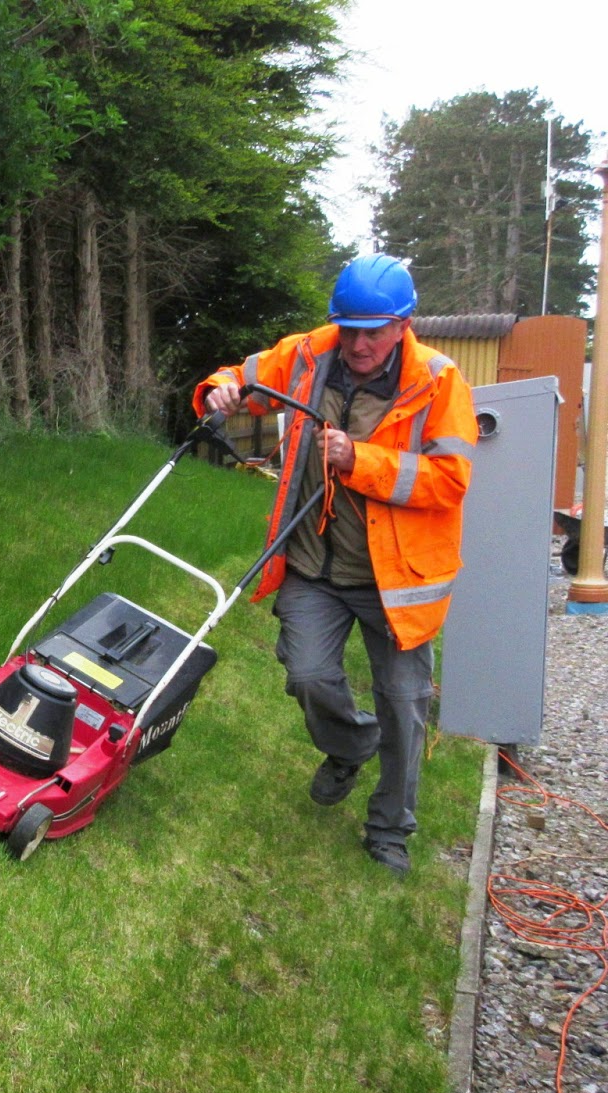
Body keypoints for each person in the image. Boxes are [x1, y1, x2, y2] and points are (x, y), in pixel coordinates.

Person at [194, 253, 478, 877]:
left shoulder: (438, 381)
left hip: (394, 580)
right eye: (349, 329)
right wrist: (221, 389)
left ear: (403, 325)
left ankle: (390, 830)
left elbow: (450, 480)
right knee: (307, 675)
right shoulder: (307, 354)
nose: (358, 344)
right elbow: (242, 378)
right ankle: (350, 745)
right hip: (314, 564)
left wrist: (361, 460)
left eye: (373, 331)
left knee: (403, 706)